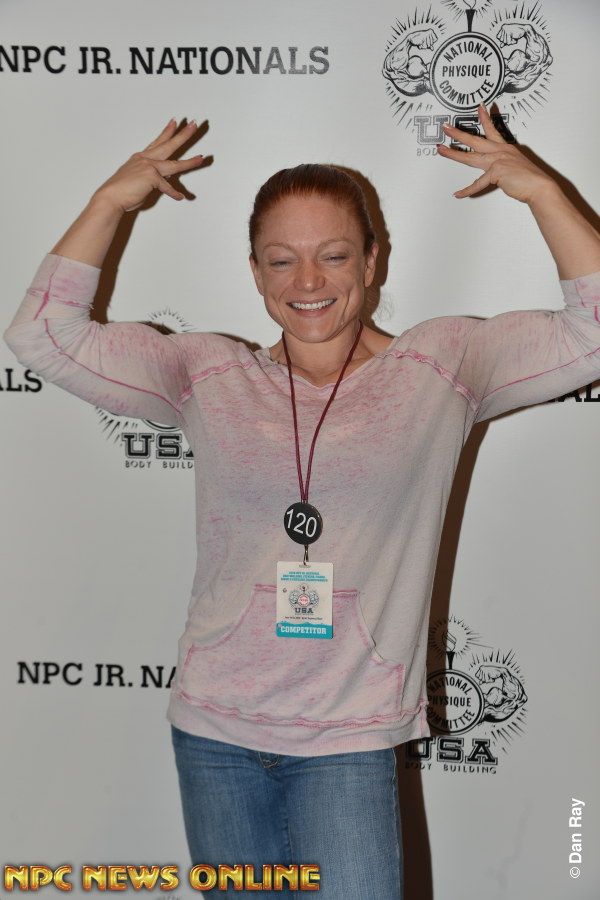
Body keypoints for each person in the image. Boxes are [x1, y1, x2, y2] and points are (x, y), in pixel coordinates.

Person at [4, 105, 600, 899]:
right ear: (255, 271)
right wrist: (110, 201)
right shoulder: (209, 373)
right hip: (214, 734)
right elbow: (41, 336)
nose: (307, 283)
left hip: (349, 741)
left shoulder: (442, 366)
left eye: (333, 256)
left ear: (373, 261)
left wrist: (543, 192)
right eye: (281, 261)